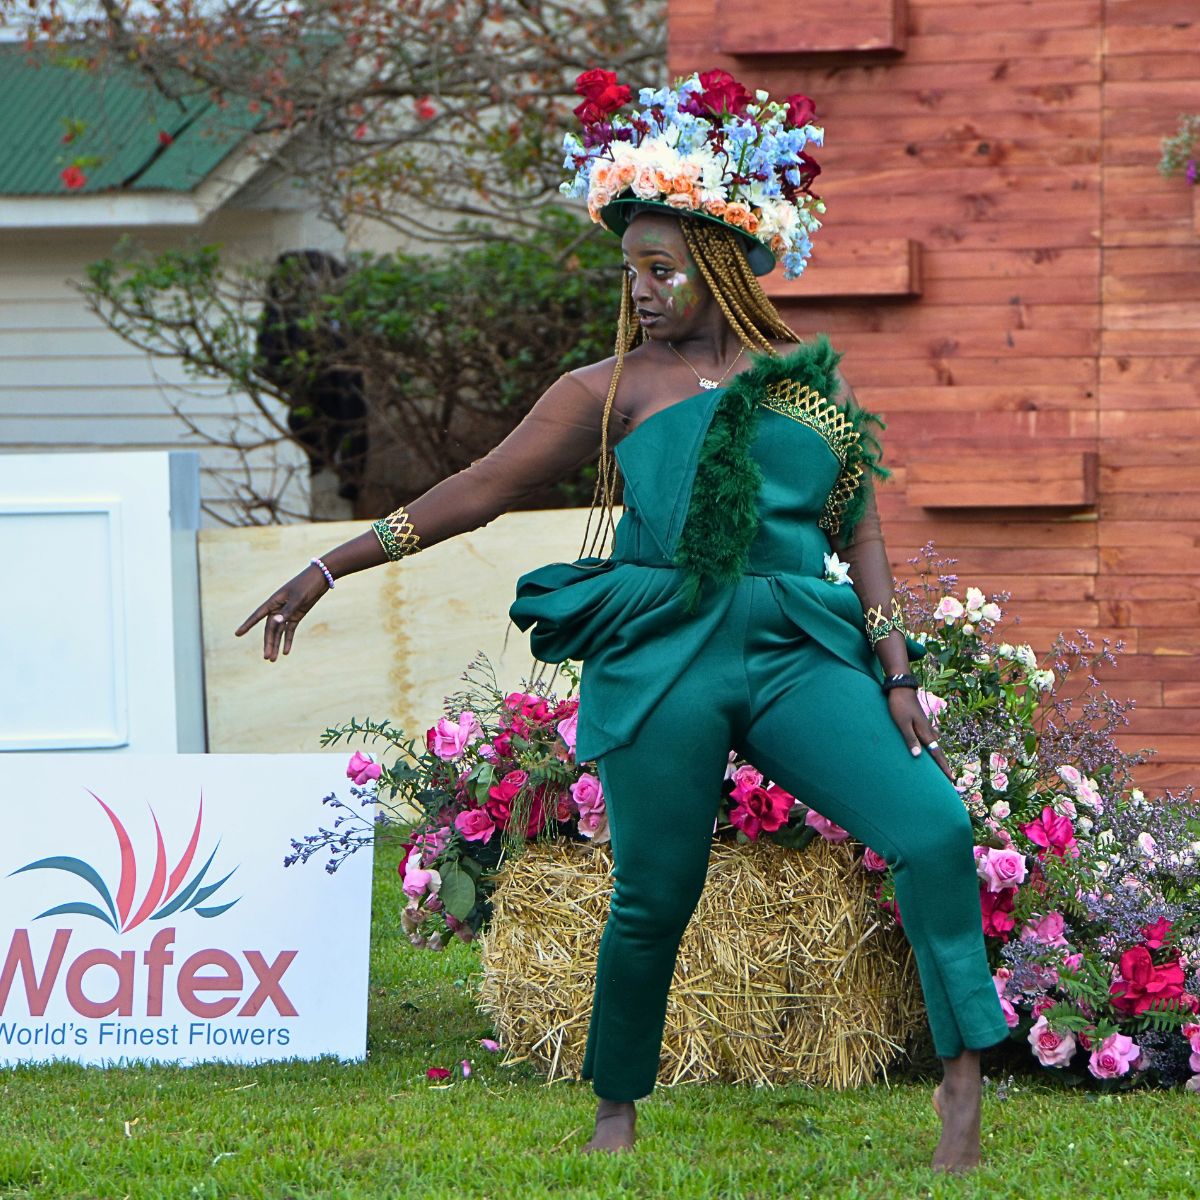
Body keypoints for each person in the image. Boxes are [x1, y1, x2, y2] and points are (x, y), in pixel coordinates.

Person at [237, 69, 1010, 1173]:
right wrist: (329, 564)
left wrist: (894, 667)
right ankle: (617, 1102)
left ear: (725, 264)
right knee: (656, 891)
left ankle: (962, 1088)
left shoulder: (807, 385)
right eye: (631, 271)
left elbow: (864, 531)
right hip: (665, 651)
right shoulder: (606, 389)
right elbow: (476, 489)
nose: (642, 289)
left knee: (931, 828)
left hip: (797, 647)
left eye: (663, 268)